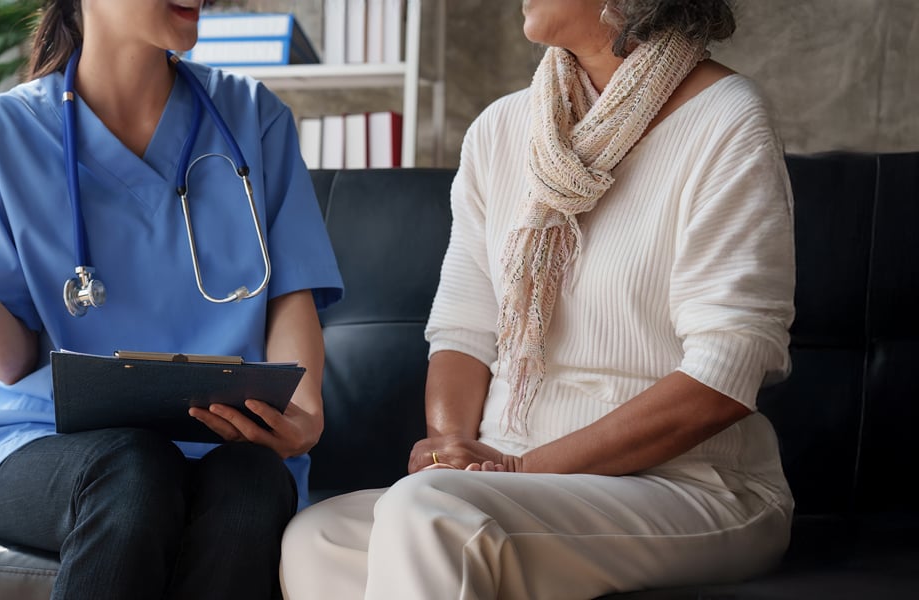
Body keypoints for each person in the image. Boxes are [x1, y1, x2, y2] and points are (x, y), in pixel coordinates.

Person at [280, 0, 796, 598]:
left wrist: (520, 471)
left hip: (691, 485)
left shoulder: (727, 120)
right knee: (319, 536)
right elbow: (463, 331)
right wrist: (454, 448)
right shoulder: (502, 129)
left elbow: (723, 374)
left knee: (431, 515)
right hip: (511, 477)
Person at [0, 0, 345, 597]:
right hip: (40, 442)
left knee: (253, 483)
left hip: (227, 441)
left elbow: (288, 294)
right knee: (135, 467)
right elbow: (10, 362)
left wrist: (306, 417)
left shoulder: (254, 117)